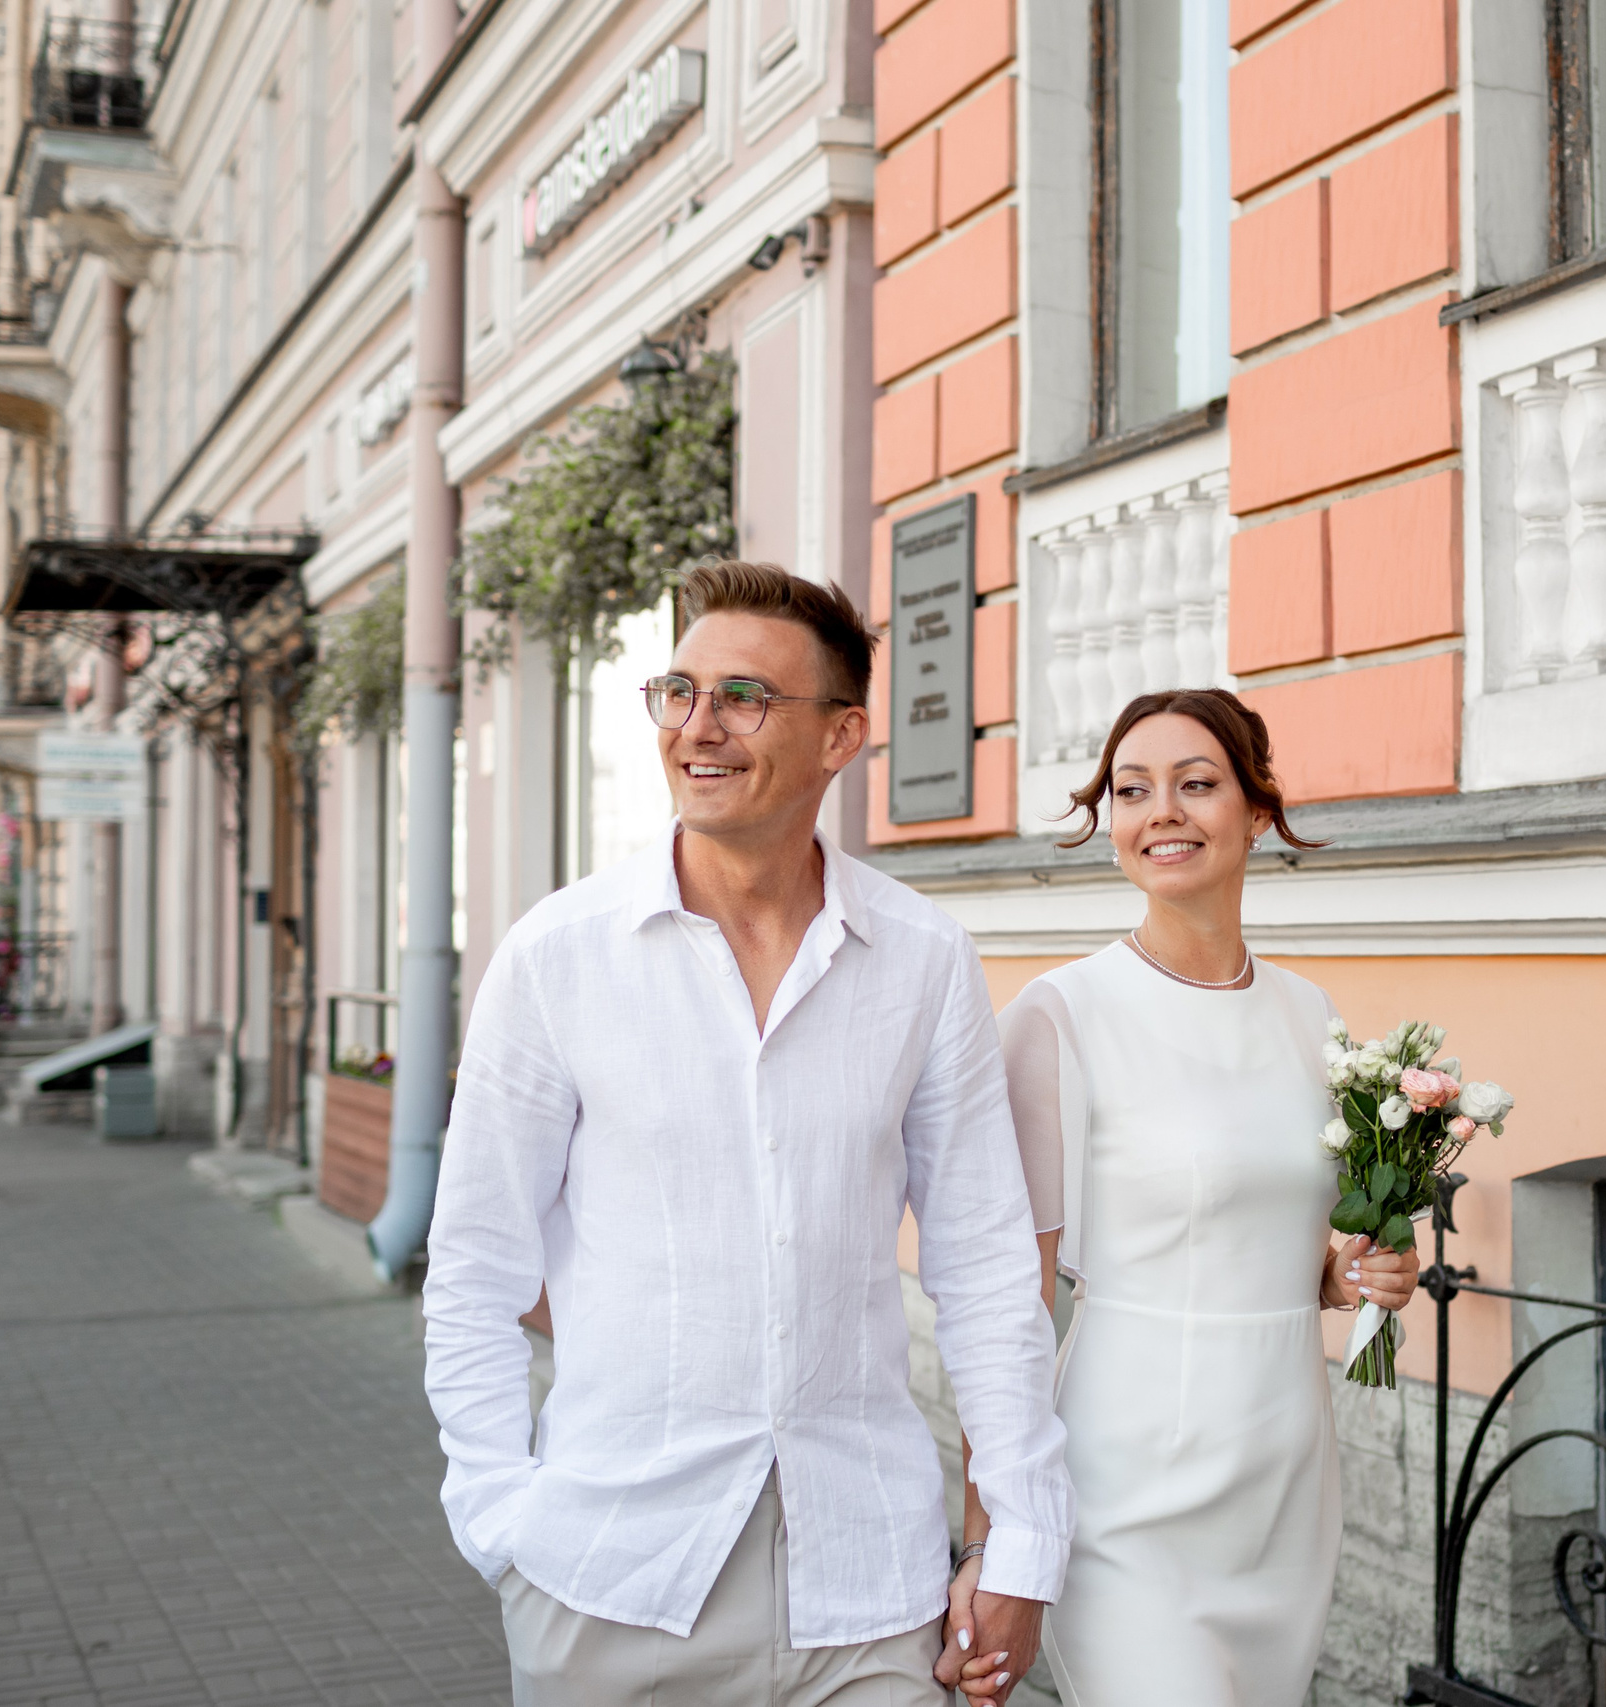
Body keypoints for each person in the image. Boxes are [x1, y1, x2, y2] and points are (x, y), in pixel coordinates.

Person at [422, 560, 1071, 1707]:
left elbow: (980, 1267)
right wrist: (498, 1514)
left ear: (843, 736)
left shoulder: (923, 961)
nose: (698, 727)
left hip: (868, 1584)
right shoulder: (558, 956)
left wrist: (1017, 1540)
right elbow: (475, 1265)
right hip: (611, 1580)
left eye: (744, 697)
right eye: (679, 692)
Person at [941, 689, 1421, 1706]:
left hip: (1284, 1482)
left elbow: (1275, 1237)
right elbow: (1009, 1305)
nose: (1160, 810)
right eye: (1131, 790)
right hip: (1126, 1489)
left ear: (1256, 812)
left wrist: (1352, 1274)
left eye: (1196, 784)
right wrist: (993, 1543)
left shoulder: (1310, 1014)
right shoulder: (1060, 1017)